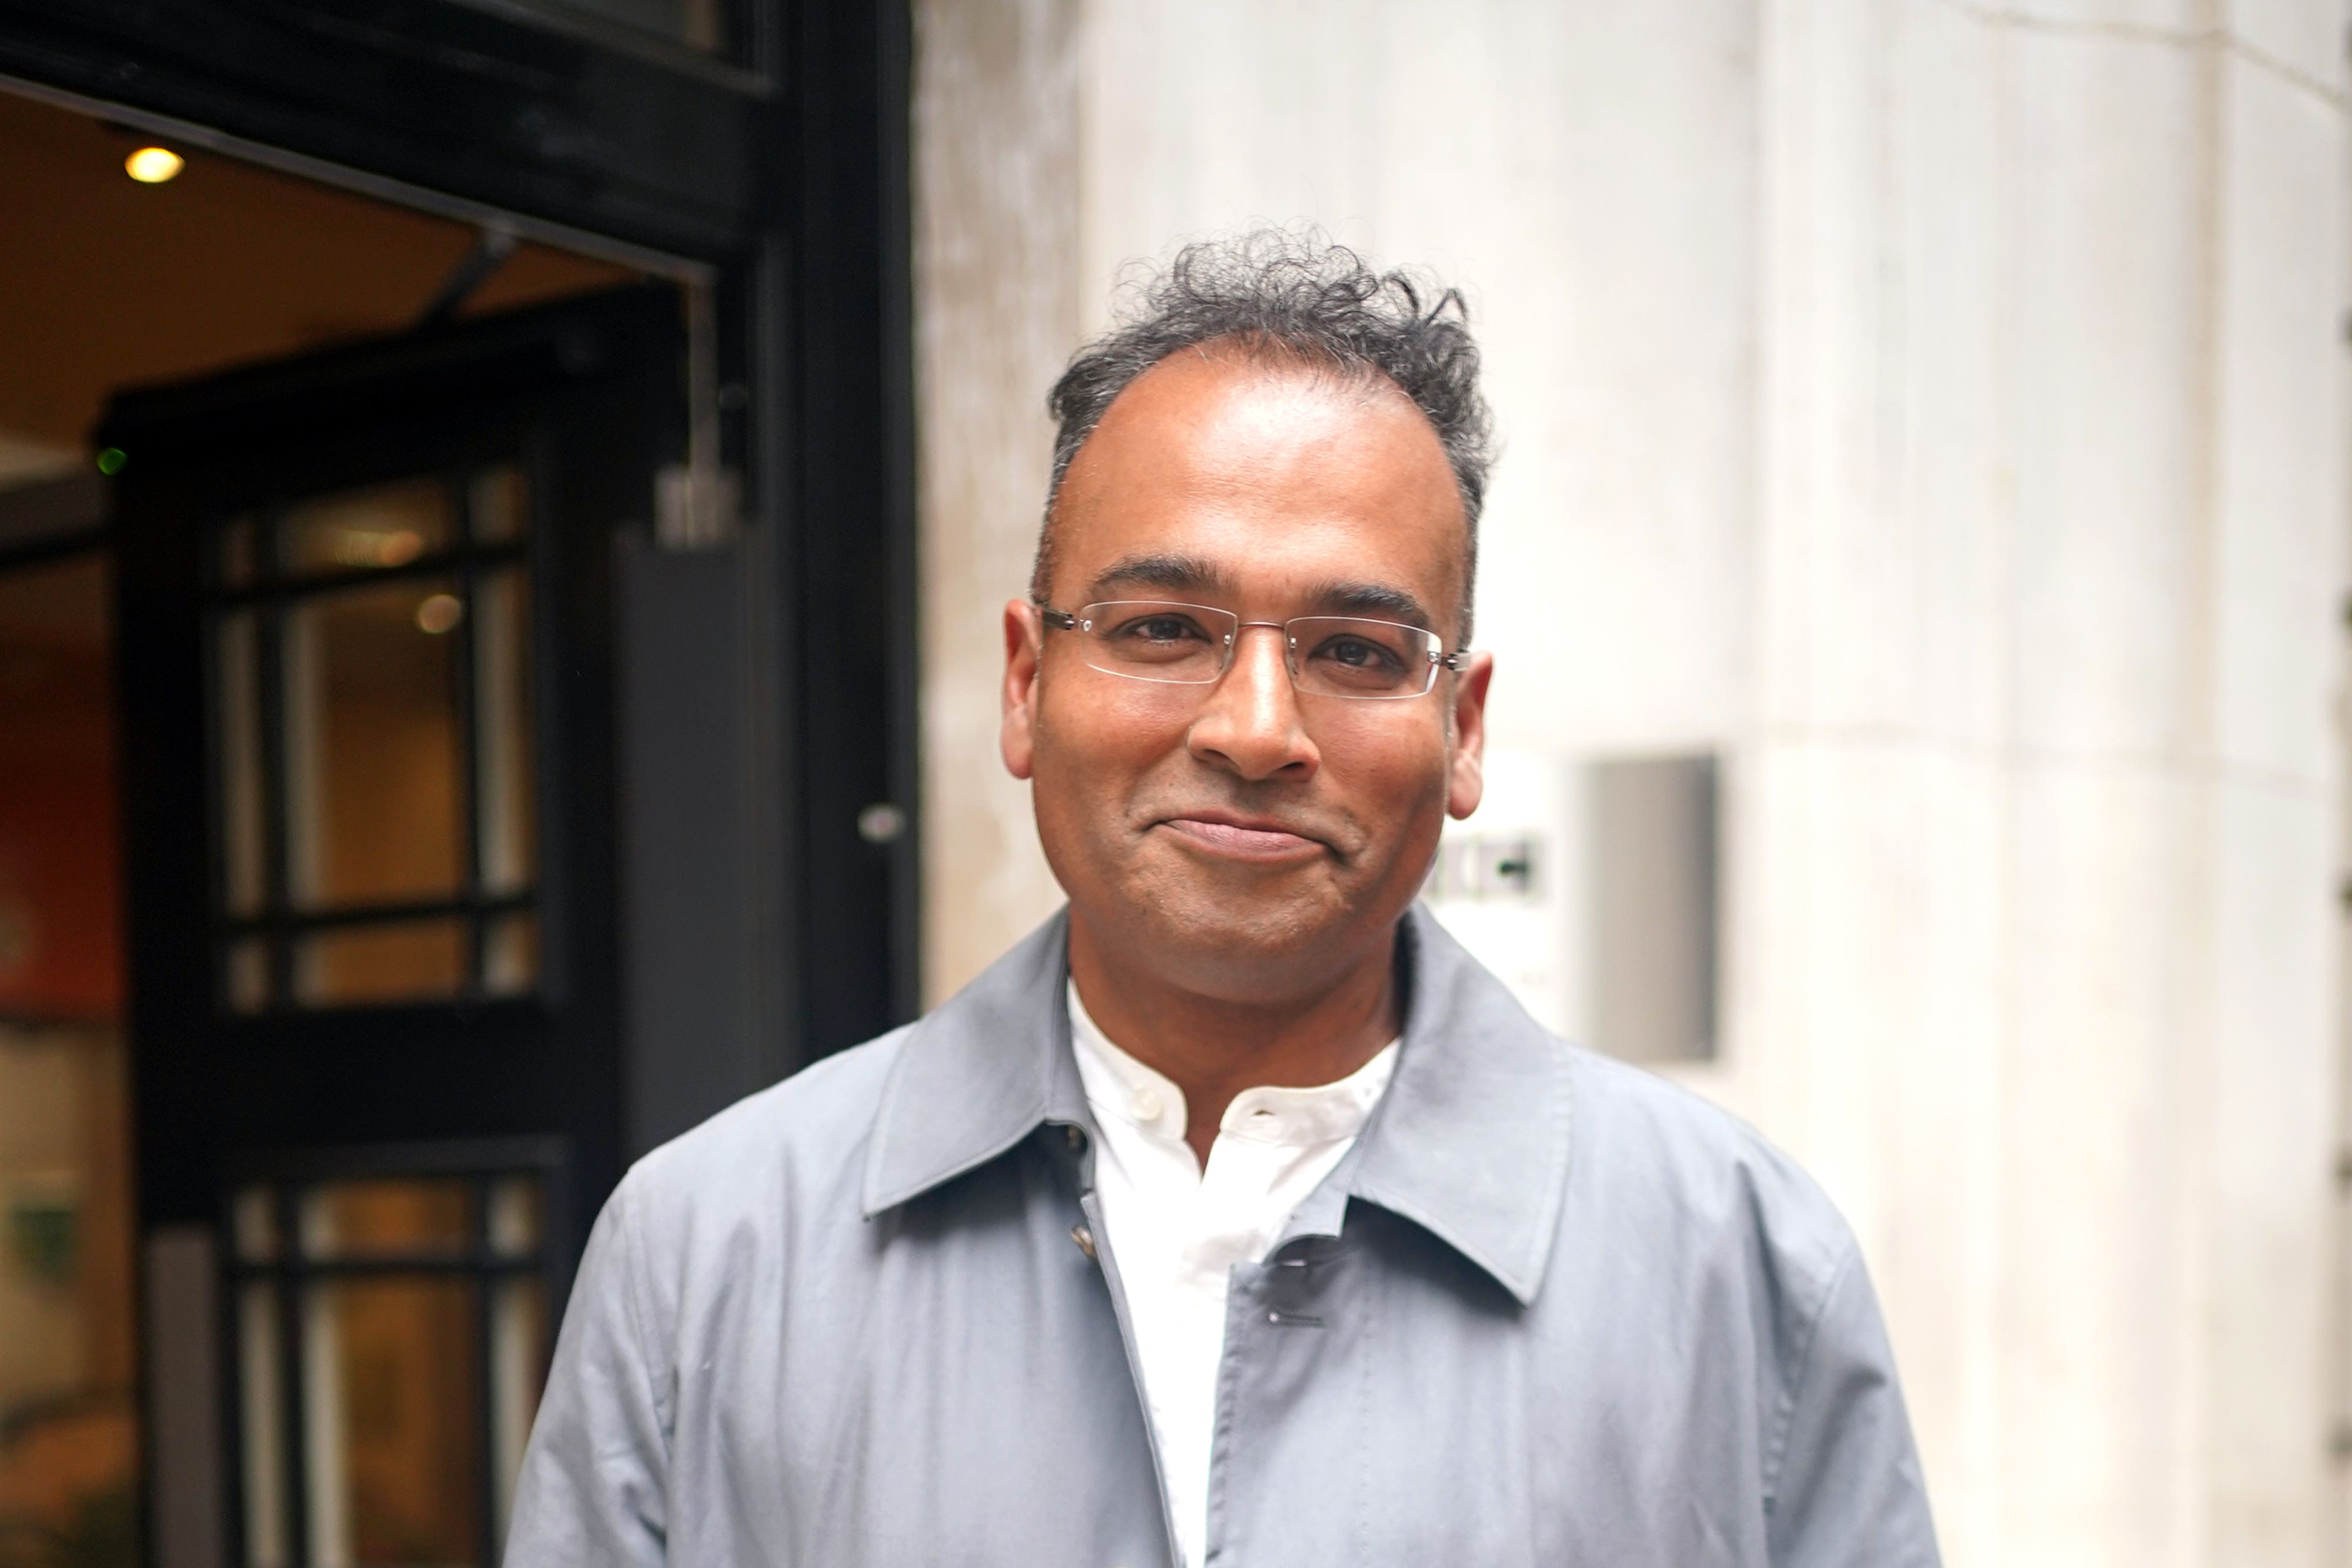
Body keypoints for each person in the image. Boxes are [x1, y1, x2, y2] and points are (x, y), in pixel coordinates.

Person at [505, 232, 1942, 1567]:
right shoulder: (708, 1250)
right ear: (1025, 683)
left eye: (1358, 651)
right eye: (1160, 630)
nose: (1256, 727)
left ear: (1465, 730)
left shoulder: (1736, 1264)